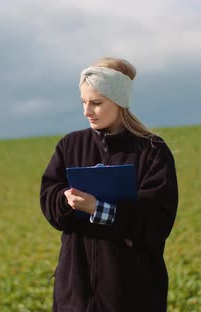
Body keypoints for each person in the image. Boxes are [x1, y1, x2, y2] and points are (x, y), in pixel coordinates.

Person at [40, 57, 179, 311]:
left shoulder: (152, 151)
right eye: (83, 102)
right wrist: (66, 200)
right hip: (75, 296)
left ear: (119, 101)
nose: (87, 111)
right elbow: (49, 202)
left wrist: (99, 209)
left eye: (96, 103)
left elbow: (157, 222)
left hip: (131, 295)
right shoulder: (69, 146)